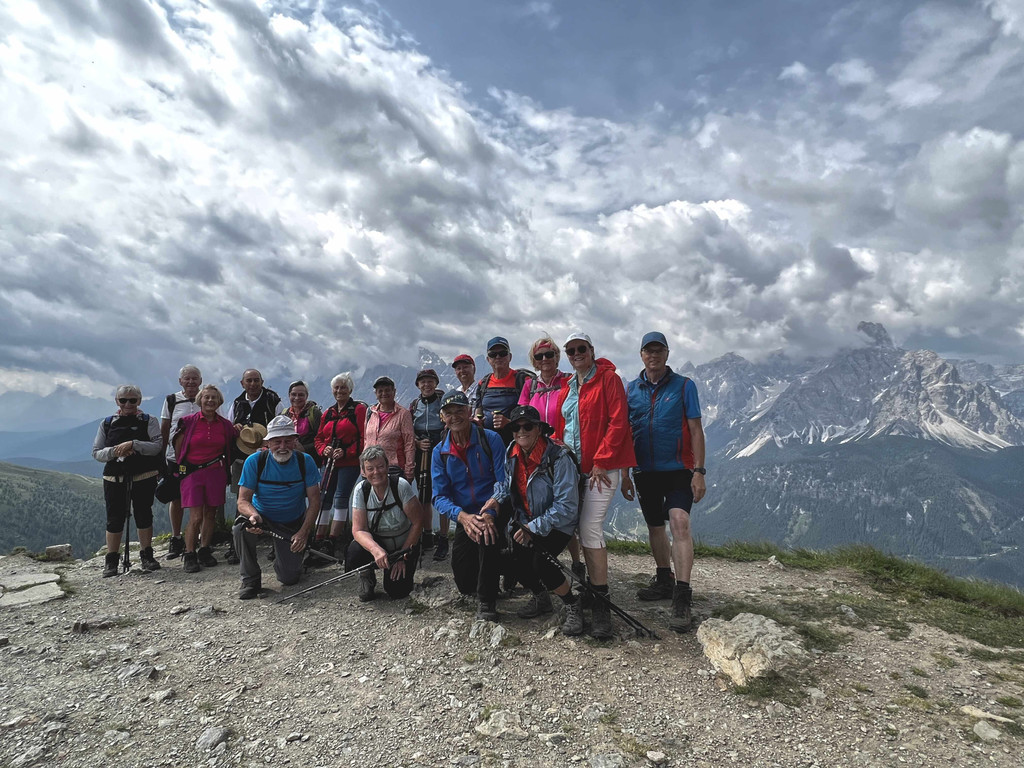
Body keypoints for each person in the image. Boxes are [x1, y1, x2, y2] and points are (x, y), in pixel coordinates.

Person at [553, 331, 637, 639]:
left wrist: (602, 460)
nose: (576, 353)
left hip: (603, 469)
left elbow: (618, 421)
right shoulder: (568, 387)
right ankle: (591, 590)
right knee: (580, 528)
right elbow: (564, 426)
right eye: (571, 350)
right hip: (575, 470)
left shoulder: (608, 380)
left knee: (589, 528)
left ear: (592, 350)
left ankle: (602, 602)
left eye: (581, 349)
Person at [625, 332, 706, 632]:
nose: (654, 355)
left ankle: (682, 595)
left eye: (659, 350)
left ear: (667, 354)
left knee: (679, 522)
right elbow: (624, 433)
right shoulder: (631, 389)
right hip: (644, 471)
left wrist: (699, 471)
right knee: (655, 527)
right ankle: (663, 578)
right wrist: (624, 473)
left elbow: (696, 429)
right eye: (648, 351)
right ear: (642, 355)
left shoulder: (684, 386)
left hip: (678, 470)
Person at [485, 406, 583, 635]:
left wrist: (534, 527)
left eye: (528, 426)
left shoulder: (559, 458)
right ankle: (541, 597)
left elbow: (567, 506)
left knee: (542, 562)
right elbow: (508, 485)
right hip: (526, 521)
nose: (521, 431)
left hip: (557, 523)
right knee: (510, 559)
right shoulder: (513, 452)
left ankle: (571, 604)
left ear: (539, 429)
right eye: (516, 427)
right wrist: (497, 498)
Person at [431, 391, 507, 620]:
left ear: (469, 411)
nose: (455, 417)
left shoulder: (490, 439)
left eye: (459, 411)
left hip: (493, 505)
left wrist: (491, 511)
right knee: (464, 583)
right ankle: (505, 561)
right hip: (465, 514)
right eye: (449, 413)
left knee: (487, 535)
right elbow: (439, 497)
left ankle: (487, 601)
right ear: (442, 417)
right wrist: (462, 517)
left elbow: (503, 480)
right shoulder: (440, 452)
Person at [232, 415, 322, 599]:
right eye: (277, 441)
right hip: (261, 518)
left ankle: (289, 562)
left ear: (295, 441)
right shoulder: (255, 461)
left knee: (289, 579)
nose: (282, 446)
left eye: (288, 441)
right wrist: (253, 516)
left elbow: (314, 501)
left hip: (292, 522)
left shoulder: (305, 462)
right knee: (240, 529)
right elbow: (242, 501)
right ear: (268, 443)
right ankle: (250, 579)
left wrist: (303, 533)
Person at [517, 335, 583, 583]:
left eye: (549, 354)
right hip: (536, 453)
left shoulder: (569, 381)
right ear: (534, 361)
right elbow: (522, 417)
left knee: (570, 510)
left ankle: (578, 564)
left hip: (563, 453)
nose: (545, 359)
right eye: (539, 356)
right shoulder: (530, 386)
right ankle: (545, 560)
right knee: (544, 505)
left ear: (557, 356)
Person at [91, 385, 164, 576]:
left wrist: (134, 445)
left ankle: (146, 555)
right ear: (117, 401)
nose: (128, 404)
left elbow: (157, 446)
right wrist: (116, 451)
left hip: (144, 476)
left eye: (132, 400)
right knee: (114, 518)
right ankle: (112, 560)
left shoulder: (150, 421)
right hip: (114, 477)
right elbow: (97, 452)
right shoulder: (106, 423)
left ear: (139, 401)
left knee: (143, 514)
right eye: (123, 400)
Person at [173, 385, 237, 574]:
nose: (210, 401)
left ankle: (204, 549)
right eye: (206, 397)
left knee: (210, 514)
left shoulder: (225, 425)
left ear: (219, 402)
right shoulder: (188, 421)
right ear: (200, 400)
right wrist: (181, 467)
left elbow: (234, 442)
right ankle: (189, 553)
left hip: (215, 472)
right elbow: (178, 445)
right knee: (196, 516)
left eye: (214, 398)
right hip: (193, 473)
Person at [346, 445, 424, 601]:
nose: (376, 472)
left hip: (403, 547)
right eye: (370, 469)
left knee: (397, 592)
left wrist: (403, 556)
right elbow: (358, 529)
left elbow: (418, 522)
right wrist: (375, 550)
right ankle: (367, 575)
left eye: (380, 466)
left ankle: (404, 567)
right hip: (379, 543)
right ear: (363, 471)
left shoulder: (401, 486)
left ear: (388, 466)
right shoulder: (361, 490)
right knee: (355, 550)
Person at [223, 369, 284, 564]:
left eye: (256, 380)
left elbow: (281, 425)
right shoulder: (236, 403)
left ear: (262, 381)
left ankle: (278, 545)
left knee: (273, 497)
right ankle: (237, 546)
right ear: (242, 383)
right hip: (242, 460)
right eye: (249, 380)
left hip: (269, 458)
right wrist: (235, 429)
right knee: (242, 500)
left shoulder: (273, 400)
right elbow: (229, 428)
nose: (253, 384)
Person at [310, 372, 367, 560]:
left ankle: (333, 539)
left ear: (350, 390)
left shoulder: (358, 409)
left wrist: (347, 452)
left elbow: (363, 437)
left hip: (349, 463)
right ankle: (320, 538)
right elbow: (318, 438)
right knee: (324, 497)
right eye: (336, 387)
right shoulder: (328, 413)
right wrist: (323, 449)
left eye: (343, 387)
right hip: (329, 461)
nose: (339, 391)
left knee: (341, 497)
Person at [160, 365, 202, 560]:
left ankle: (198, 538)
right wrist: (161, 458)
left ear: (200, 381)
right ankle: (176, 538)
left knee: (199, 498)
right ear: (180, 381)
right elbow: (165, 430)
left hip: (201, 459)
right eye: (187, 378)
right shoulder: (171, 400)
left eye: (195, 378)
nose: (191, 382)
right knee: (176, 498)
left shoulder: (207, 398)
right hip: (174, 458)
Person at [410, 368, 448, 559]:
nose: (426, 385)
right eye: (423, 382)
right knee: (424, 493)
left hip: (440, 450)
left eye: (430, 381)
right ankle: (427, 535)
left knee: (442, 492)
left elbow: (449, 424)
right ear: (418, 385)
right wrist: (417, 442)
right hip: (421, 451)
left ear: (436, 383)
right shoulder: (414, 404)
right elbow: (409, 429)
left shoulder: (443, 402)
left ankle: (443, 537)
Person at [475, 336, 534, 446]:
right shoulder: (483, 383)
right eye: (493, 354)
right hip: (487, 444)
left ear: (510, 357)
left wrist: (509, 423)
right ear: (488, 359)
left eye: (502, 353)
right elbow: (478, 413)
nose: (498, 357)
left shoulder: (523, 380)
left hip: (515, 443)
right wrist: (477, 421)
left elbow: (531, 418)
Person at [364, 376, 415, 482]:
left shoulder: (403, 414)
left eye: (387, 390)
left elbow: (409, 443)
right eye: (380, 391)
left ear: (394, 391)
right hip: (370, 469)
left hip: (393, 468)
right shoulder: (370, 412)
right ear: (375, 393)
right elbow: (366, 440)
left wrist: (409, 470)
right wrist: (363, 467)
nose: (384, 393)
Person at [283, 380, 322, 465]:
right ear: (289, 395)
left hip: (310, 461)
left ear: (306, 396)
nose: (297, 398)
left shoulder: (314, 413)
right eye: (293, 394)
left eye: (301, 395)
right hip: (288, 461)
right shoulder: (284, 415)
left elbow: (322, 439)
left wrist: (304, 448)